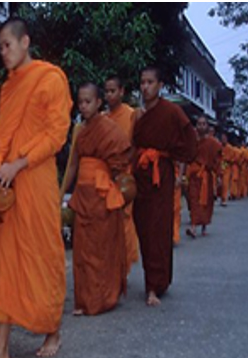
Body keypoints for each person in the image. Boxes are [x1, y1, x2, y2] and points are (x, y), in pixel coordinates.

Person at [0, 17, 72, 358]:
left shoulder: (50, 78)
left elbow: (56, 135)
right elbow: (2, 133)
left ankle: (52, 330)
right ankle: (1, 345)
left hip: (36, 178)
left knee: (42, 254)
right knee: (5, 260)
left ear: (25, 42)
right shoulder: (8, 87)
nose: (3, 52)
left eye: (7, 45)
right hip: (6, 183)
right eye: (0, 46)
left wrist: (17, 165)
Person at [60, 83, 131, 315]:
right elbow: (73, 165)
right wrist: (59, 195)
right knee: (82, 250)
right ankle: (84, 300)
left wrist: (112, 187)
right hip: (83, 194)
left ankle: (102, 298)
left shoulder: (110, 129)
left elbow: (120, 164)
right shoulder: (79, 130)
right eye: (80, 101)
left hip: (101, 195)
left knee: (100, 249)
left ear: (99, 102)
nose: (83, 106)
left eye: (88, 101)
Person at [132, 66, 197, 307]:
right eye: (142, 82)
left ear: (160, 86)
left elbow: (189, 137)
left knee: (158, 229)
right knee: (143, 227)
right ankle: (153, 277)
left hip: (161, 175)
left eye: (150, 82)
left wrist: (174, 158)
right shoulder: (139, 114)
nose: (145, 87)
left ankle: (154, 285)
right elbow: (132, 144)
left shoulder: (172, 112)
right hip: (141, 174)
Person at [104, 76, 139, 274]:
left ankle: (123, 266)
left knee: (125, 218)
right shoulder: (104, 119)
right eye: (106, 91)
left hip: (125, 174)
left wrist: (126, 164)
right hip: (108, 174)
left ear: (122, 91)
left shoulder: (131, 115)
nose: (109, 95)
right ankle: (113, 265)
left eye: (113, 91)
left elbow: (135, 144)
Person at [185, 116, 221, 238]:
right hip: (194, 175)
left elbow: (217, 160)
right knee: (194, 200)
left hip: (206, 176)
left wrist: (219, 175)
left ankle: (204, 226)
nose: (201, 126)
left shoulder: (213, 143)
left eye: (204, 124)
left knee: (206, 201)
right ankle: (194, 227)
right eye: (199, 124)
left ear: (207, 126)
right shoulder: (192, 141)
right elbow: (187, 157)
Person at [219, 133, 235, 206]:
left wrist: (226, 160)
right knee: (219, 184)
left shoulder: (230, 148)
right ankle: (220, 196)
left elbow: (232, 158)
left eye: (224, 138)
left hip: (227, 168)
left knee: (225, 184)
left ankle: (224, 199)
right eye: (222, 138)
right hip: (219, 167)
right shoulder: (219, 146)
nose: (223, 140)